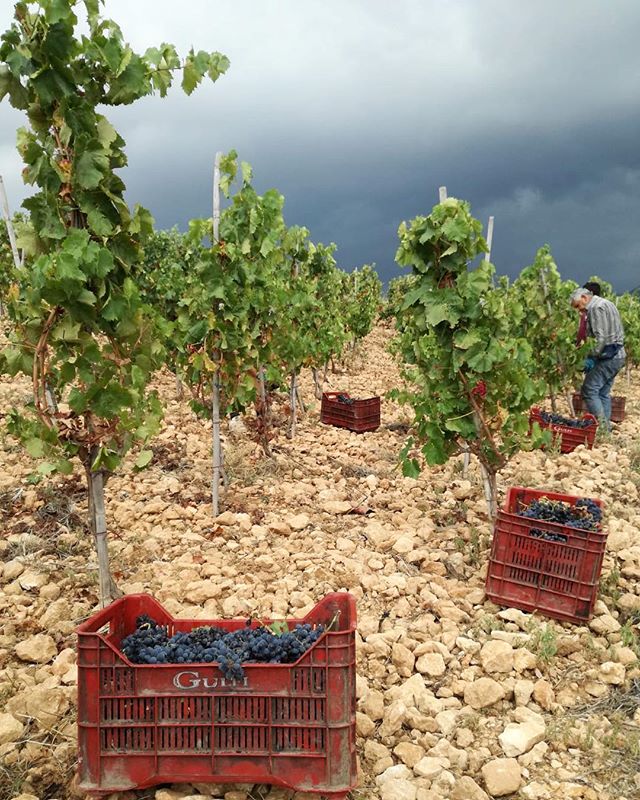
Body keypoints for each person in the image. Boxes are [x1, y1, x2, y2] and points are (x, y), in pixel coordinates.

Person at [570, 287, 625, 430]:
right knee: (602, 392)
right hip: (619, 355)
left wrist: (592, 357)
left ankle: (602, 428)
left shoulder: (595, 308)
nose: (579, 310)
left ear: (584, 297)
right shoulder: (608, 303)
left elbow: (601, 338)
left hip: (608, 357)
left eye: (578, 305)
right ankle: (605, 430)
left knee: (589, 390)